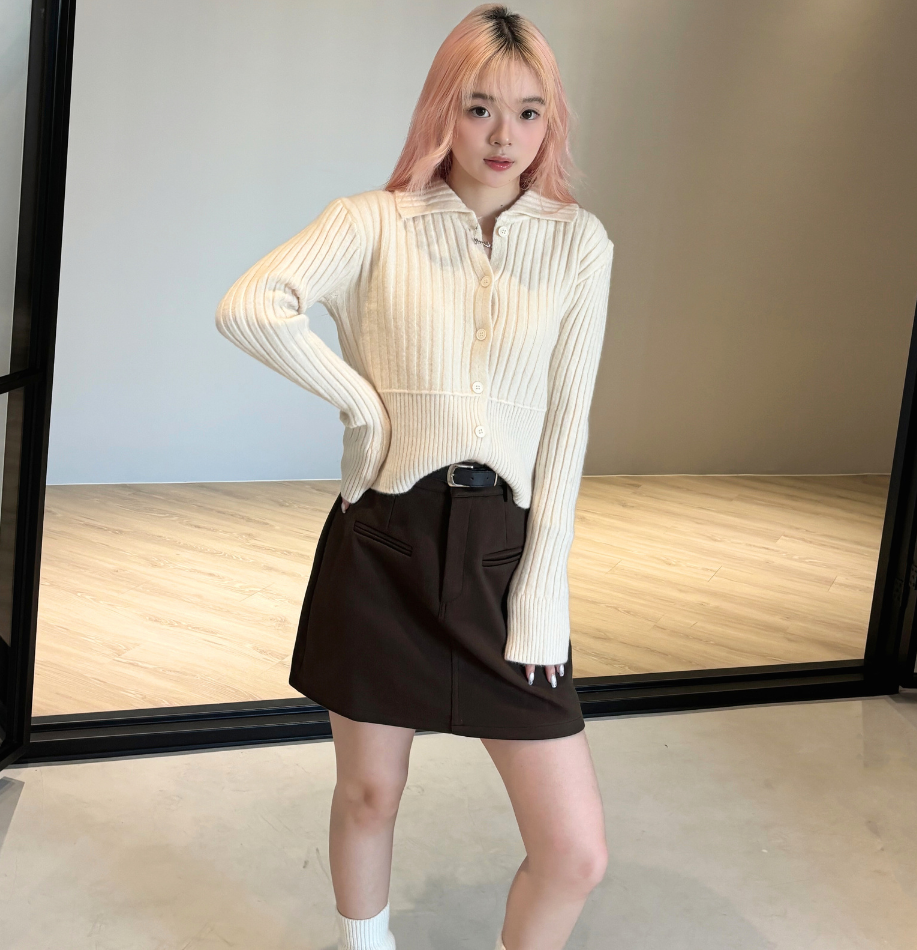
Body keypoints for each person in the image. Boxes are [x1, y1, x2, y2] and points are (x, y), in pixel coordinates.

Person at [215, 6, 614, 949]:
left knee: (574, 853)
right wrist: (363, 405)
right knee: (369, 791)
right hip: (383, 541)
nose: (505, 135)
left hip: (502, 555)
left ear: (551, 121)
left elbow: (566, 428)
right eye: (480, 108)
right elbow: (251, 306)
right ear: (443, 110)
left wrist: (543, 587)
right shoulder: (370, 222)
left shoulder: (578, 243)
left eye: (528, 112)